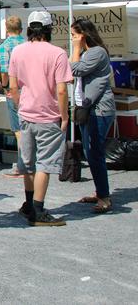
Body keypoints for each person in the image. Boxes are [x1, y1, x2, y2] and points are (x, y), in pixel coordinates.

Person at [9, 11, 72, 226]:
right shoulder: (58, 53)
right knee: (45, 163)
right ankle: (38, 209)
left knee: (28, 163)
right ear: (49, 29)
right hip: (48, 114)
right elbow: (62, 90)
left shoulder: (17, 51)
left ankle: (28, 204)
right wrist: (64, 116)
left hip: (26, 112)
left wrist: (20, 105)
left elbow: (13, 86)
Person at [70, 18, 115, 214]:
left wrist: (75, 49)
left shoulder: (96, 52)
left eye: (74, 35)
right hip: (88, 108)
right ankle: (100, 192)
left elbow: (74, 69)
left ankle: (104, 197)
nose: (72, 39)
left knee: (94, 152)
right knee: (91, 152)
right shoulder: (89, 53)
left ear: (83, 34)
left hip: (99, 109)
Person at [0, 16, 26, 178]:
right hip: (30, 89)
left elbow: (4, 71)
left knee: (18, 130)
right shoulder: (28, 44)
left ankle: (23, 164)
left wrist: (4, 86)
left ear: (6, 29)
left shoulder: (5, 46)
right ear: (21, 29)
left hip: (13, 90)